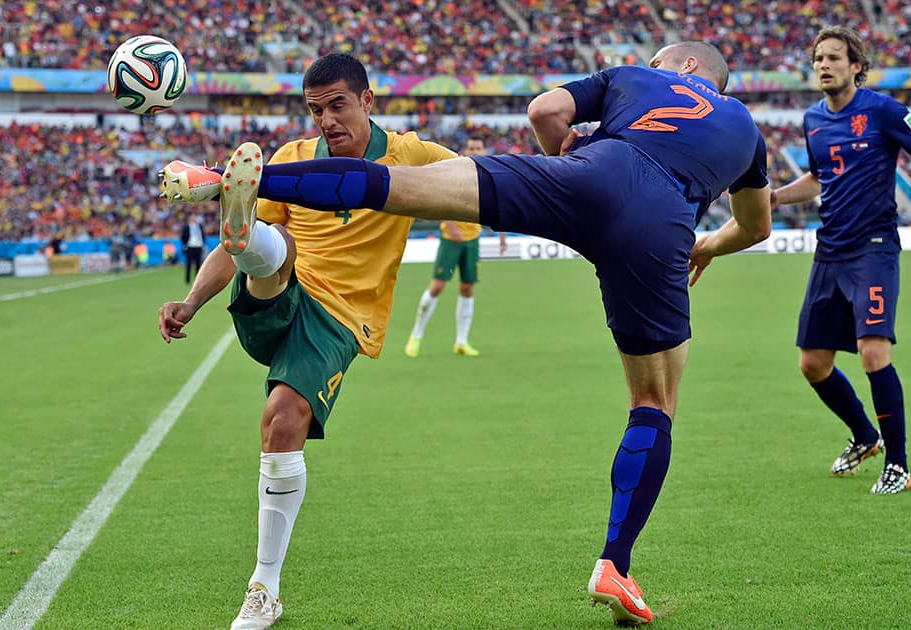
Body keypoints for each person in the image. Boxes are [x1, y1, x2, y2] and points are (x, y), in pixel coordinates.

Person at [161, 42, 772, 626]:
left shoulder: (633, 79)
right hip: (660, 226)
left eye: (660, 60)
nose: (652, 64)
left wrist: (564, 164)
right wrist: (708, 244)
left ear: (685, 65)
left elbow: (545, 110)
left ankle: (226, 179)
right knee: (652, 403)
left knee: (398, 189)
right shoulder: (747, 132)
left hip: (584, 176)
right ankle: (615, 564)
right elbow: (756, 225)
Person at [156, 53, 458, 630]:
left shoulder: (411, 154)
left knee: (282, 419)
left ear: (368, 101)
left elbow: (479, 179)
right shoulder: (293, 159)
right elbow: (222, 253)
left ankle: (263, 590)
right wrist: (191, 301)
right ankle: (249, 233)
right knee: (274, 245)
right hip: (280, 294)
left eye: (338, 105)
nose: (326, 119)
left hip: (343, 318)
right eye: (316, 109)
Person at [771, 26, 911, 495]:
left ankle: (898, 463)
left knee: (873, 352)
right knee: (812, 363)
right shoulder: (813, 119)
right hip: (829, 249)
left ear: (856, 66)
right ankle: (865, 436)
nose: (824, 65)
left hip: (873, 247)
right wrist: (776, 198)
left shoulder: (884, 111)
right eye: (818, 59)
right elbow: (818, 178)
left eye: (834, 57)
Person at [404, 137, 507, 358]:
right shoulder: (455, 169)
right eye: (472, 148)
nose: (475, 150)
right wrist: (452, 225)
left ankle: (461, 341)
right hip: (451, 239)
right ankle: (416, 334)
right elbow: (438, 200)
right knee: (437, 286)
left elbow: (499, 205)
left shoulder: (488, 175)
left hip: (472, 240)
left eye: (479, 147)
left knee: (468, 289)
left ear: (485, 149)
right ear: (464, 150)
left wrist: (501, 235)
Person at [180, 211, 205, 283]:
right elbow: (183, 237)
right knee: (189, 264)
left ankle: (197, 279)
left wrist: (202, 243)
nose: (194, 218)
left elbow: (202, 235)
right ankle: (187, 280)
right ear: (189, 218)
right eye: (192, 216)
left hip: (198, 246)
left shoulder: (199, 226)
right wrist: (185, 245)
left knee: (198, 264)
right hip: (190, 246)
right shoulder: (187, 227)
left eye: (195, 216)